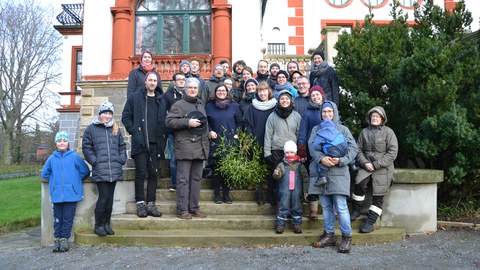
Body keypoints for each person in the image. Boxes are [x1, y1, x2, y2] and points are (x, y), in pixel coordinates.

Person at [308, 101, 357, 253]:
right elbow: (311, 146)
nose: (327, 114)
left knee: (341, 207)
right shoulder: (316, 129)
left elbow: (353, 148)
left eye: (330, 112)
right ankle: (328, 235)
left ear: (334, 112)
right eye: (324, 112)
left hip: (339, 173)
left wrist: (341, 160)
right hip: (321, 173)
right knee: (326, 207)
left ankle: (346, 238)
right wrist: (321, 158)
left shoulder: (343, 129)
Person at [122, 71, 165, 218]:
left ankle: (151, 203)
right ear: (145, 82)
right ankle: (140, 203)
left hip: (156, 143)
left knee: (153, 174)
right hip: (140, 143)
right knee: (140, 173)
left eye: (155, 80)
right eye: (150, 80)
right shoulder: (135, 98)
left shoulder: (161, 99)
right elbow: (126, 116)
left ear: (157, 83)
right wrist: (134, 131)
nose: (153, 83)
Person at [166, 77, 210, 220]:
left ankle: (194, 208)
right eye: (190, 87)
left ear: (198, 90)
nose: (192, 90)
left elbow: (204, 125)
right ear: (185, 89)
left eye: (195, 88)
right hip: (185, 147)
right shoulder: (178, 105)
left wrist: (208, 135)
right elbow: (170, 122)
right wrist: (187, 122)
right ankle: (182, 210)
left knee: (196, 180)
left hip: (200, 147)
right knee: (183, 180)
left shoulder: (201, 104)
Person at [350, 106, 398, 233]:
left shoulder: (389, 132)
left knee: (379, 195)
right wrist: (365, 163)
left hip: (383, 168)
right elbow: (358, 150)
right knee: (359, 184)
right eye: (372, 116)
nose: (374, 118)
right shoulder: (364, 132)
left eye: (377, 116)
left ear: (382, 119)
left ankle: (370, 222)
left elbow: (392, 153)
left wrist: (376, 164)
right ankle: (356, 210)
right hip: (366, 166)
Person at [82, 101, 127, 236]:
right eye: (105, 113)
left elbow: (122, 146)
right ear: (100, 114)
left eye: (109, 113)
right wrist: (94, 161)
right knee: (103, 197)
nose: (107, 116)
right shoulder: (91, 129)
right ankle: (98, 225)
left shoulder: (115, 128)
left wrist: (121, 159)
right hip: (100, 169)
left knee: (110, 199)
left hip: (114, 168)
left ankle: (107, 224)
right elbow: (86, 147)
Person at [41, 131, 90, 252]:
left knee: (68, 218)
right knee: (58, 218)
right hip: (57, 194)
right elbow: (45, 173)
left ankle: (64, 240)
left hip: (71, 194)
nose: (62, 143)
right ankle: (57, 239)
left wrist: (75, 180)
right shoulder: (51, 159)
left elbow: (84, 171)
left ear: (68, 143)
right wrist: (54, 182)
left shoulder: (74, 157)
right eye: (59, 141)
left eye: (64, 141)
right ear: (56, 143)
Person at [205, 84, 242, 204]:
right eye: (219, 90)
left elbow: (240, 122)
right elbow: (205, 121)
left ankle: (226, 194)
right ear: (215, 92)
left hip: (230, 141)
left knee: (228, 169)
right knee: (216, 169)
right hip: (215, 141)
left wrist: (237, 133)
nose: (221, 92)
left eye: (223, 90)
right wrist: (209, 131)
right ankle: (217, 194)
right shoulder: (209, 106)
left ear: (227, 92)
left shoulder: (234, 106)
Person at [264, 90, 302, 205]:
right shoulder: (272, 116)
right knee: (278, 177)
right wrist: (267, 152)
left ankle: (292, 203)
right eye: (282, 99)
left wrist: (301, 151)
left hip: (292, 152)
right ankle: (279, 203)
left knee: (292, 179)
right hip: (277, 150)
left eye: (287, 99)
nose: (284, 101)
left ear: (291, 101)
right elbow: (268, 134)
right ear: (278, 101)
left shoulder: (296, 116)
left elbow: (300, 134)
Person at [243, 82, 277, 205]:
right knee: (257, 169)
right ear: (257, 93)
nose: (262, 93)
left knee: (270, 170)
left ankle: (271, 197)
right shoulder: (252, 108)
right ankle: (259, 196)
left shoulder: (275, 106)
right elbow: (247, 125)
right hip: (256, 142)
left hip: (271, 143)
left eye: (265, 90)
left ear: (269, 92)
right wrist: (248, 140)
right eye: (260, 91)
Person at [296, 85, 325, 220]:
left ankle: (332, 208)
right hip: (311, 150)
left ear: (322, 95)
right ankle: (313, 209)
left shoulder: (328, 109)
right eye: (313, 95)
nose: (315, 97)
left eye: (317, 95)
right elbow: (302, 131)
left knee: (328, 179)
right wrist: (302, 150)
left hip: (327, 150)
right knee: (313, 178)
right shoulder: (307, 112)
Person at [273, 141, 308, 234]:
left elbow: (305, 178)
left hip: (297, 191)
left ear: (295, 152)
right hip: (284, 191)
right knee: (283, 206)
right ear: (284, 153)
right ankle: (280, 225)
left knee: (297, 206)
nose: (289, 154)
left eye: (291, 152)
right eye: (287, 152)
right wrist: (276, 174)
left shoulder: (300, 165)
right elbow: (277, 177)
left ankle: (297, 224)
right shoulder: (281, 165)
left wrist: (305, 191)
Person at [159, 72, 186, 192]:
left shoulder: (189, 94)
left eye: (183, 79)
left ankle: (185, 182)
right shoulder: (168, 95)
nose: (181, 81)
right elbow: (163, 113)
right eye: (179, 79)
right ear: (174, 82)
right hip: (173, 132)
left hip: (187, 132)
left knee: (185, 158)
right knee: (174, 159)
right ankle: (175, 183)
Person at [312, 118, 348, 185]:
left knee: (323, 162)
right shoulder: (337, 131)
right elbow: (345, 139)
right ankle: (353, 164)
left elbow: (316, 146)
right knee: (345, 153)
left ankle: (322, 177)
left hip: (332, 150)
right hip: (344, 147)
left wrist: (320, 149)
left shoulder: (321, 133)